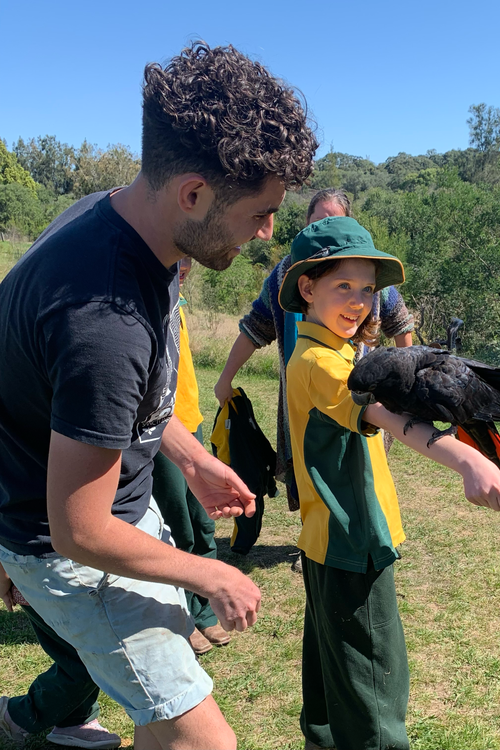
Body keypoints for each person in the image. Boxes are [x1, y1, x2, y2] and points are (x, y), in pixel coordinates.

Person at [0, 42, 317, 750]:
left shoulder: (124, 225)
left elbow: (54, 391)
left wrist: (190, 459)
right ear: (195, 193)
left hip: (114, 517)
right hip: (71, 547)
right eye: (261, 213)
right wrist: (210, 572)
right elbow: (80, 530)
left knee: (167, 718)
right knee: (203, 742)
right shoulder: (102, 315)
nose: (269, 234)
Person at [279, 216, 500, 750]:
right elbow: (382, 416)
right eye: (344, 286)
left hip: (323, 540)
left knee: (331, 669)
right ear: (308, 288)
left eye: (367, 289)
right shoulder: (322, 361)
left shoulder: (331, 350)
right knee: (374, 685)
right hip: (353, 541)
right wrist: (468, 461)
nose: (359, 301)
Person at [214, 189, 414, 570]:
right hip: (304, 395)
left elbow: (400, 323)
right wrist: (226, 377)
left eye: (332, 220)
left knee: (361, 472)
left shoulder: (363, 272)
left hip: (359, 394)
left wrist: (402, 383)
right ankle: (319, 549)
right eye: (316, 221)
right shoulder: (284, 275)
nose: (323, 226)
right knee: (311, 472)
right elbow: (254, 328)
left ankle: (365, 543)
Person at [151, 256, 229, 656]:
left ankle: (207, 605)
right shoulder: (147, 299)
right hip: (162, 433)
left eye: (187, 263)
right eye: (175, 261)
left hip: (192, 423)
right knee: (177, 521)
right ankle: (189, 613)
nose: (183, 267)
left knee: (204, 520)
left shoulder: (177, 303)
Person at [0, 564, 121, 748]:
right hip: (41, 579)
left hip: (77, 579)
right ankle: (17, 714)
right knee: (91, 657)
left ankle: (74, 719)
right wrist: (2, 576)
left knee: (77, 654)